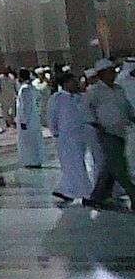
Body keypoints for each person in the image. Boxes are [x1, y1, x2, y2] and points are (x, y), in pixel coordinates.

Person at [86, 59, 135, 209]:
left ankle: (97, 196)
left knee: (111, 165)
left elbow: (126, 108)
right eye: (110, 72)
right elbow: (87, 111)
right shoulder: (94, 91)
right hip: (107, 133)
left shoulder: (118, 90)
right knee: (119, 168)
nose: (113, 74)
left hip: (121, 132)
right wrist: (97, 125)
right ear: (101, 74)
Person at [50, 71, 98, 206]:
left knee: (78, 162)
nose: (75, 83)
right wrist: (55, 131)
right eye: (72, 81)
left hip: (80, 135)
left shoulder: (81, 97)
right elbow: (52, 116)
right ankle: (83, 191)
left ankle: (66, 189)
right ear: (65, 83)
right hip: (65, 136)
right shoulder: (57, 98)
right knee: (72, 163)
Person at [17, 70, 46, 168]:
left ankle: (31, 161)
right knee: (35, 140)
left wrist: (23, 121)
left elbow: (25, 107)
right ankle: (36, 160)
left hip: (28, 120)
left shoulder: (25, 89)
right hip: (34, 118)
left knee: (28, 141)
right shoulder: (33, 88)